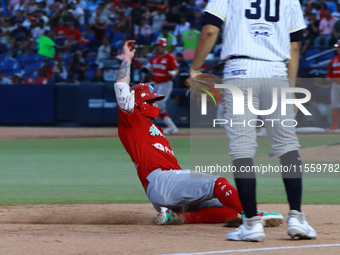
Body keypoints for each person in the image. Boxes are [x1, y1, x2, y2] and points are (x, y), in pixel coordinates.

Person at [114, 40, 283, 226]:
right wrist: (127, 59)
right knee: (218, 183)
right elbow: (121, 88)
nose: (155, 105)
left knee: (229, 210)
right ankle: (252, 215)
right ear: (139, 105)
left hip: (168, 186)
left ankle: (176, 217)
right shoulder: (132, 121)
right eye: (152, 102)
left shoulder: (154, 129)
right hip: (162, 180)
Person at [190, 0, 317, 241]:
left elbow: (209, 30)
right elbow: (294, 49)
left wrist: (195, 69)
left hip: (240, 71)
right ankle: (297, 218)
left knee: (242, 149)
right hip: (276, 72)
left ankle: (251, 224)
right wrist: (290, 91)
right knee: (287, 146)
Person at [144, 38, 178, 135]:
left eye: (160, 46)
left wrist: (173, 73)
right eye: (157, 46)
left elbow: (176, 69)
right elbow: (147, 69)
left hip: (166, 83)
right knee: (160, 107)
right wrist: (141, 80)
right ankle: (172, 127)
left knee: (159, 104)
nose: (158, 48)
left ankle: (149, 126)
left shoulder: (170, 57)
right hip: (156, 83)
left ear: (165, 47)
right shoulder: (153, 58)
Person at [326, 40, 340, 131]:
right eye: (337, 47)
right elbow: (329, 73)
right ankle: (335, 125)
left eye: (339, 47)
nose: (338, 49)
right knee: (334, 104)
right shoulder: (334, 59)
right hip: (335, 84)